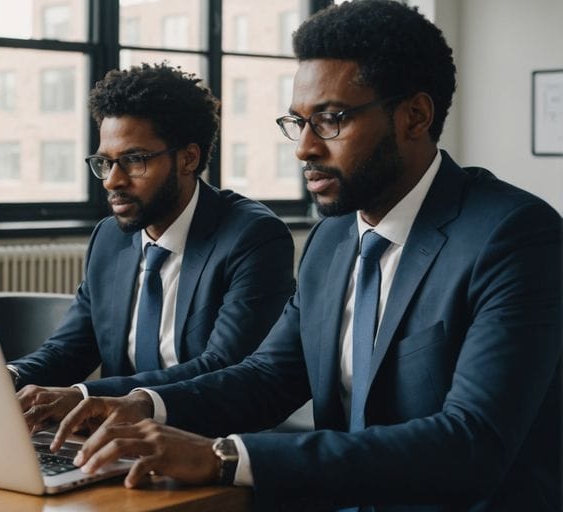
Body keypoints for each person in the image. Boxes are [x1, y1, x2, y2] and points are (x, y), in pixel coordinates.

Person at [49, 2, 562, 509]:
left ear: (414, 116)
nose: (304, 148)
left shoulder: (515, 237)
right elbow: (268, 376)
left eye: (331, 119)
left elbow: (469, 442)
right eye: (298, 122)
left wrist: (228, 456)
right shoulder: (332, 239)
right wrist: (142, 404)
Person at [11, 63, 295, 431]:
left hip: (204, 441)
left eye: (134, 160)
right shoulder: (110, 238)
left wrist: (84, 396)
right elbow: (71, 348)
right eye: (105, 162)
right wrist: (7, 376)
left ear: (188, 158)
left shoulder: (252, 237)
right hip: (116, 440)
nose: (113, 180)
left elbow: (224, 365)